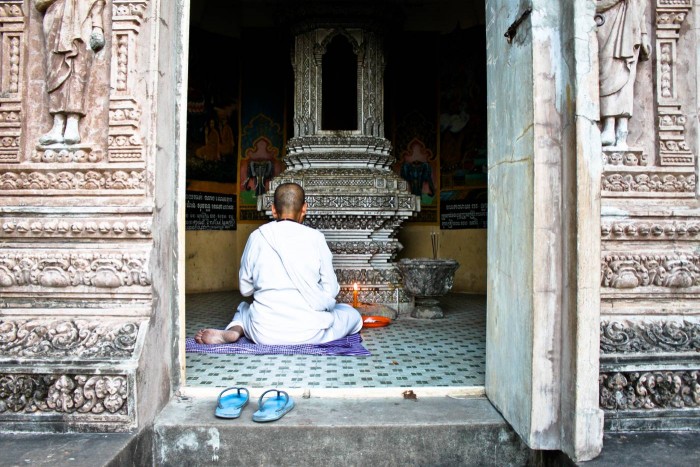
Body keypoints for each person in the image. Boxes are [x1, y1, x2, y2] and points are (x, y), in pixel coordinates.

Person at [195, 182, 363, 346]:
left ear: (273, 209)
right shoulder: (316, 238)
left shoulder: (257, 236)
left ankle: (235, 330)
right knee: (351, 314)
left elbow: (245, 289)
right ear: (304, 208)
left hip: (263, 332)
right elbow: (331, 290)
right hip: (310, 332)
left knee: (244, 309)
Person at [35, 0, 106, 145]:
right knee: (56, 72)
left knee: (77, 72)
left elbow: (97, 4)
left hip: (82, 23)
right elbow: (38, 3)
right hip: (56, 24)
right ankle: (57, 124)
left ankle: (73, 124)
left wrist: (97, 27)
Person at [596, 0, 650, 148]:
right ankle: (608, 124)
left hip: (630, 26)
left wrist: (644, 34)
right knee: (606, 76)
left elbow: (639, 4)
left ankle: (622, 129)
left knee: (626, 76)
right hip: (605, 24)